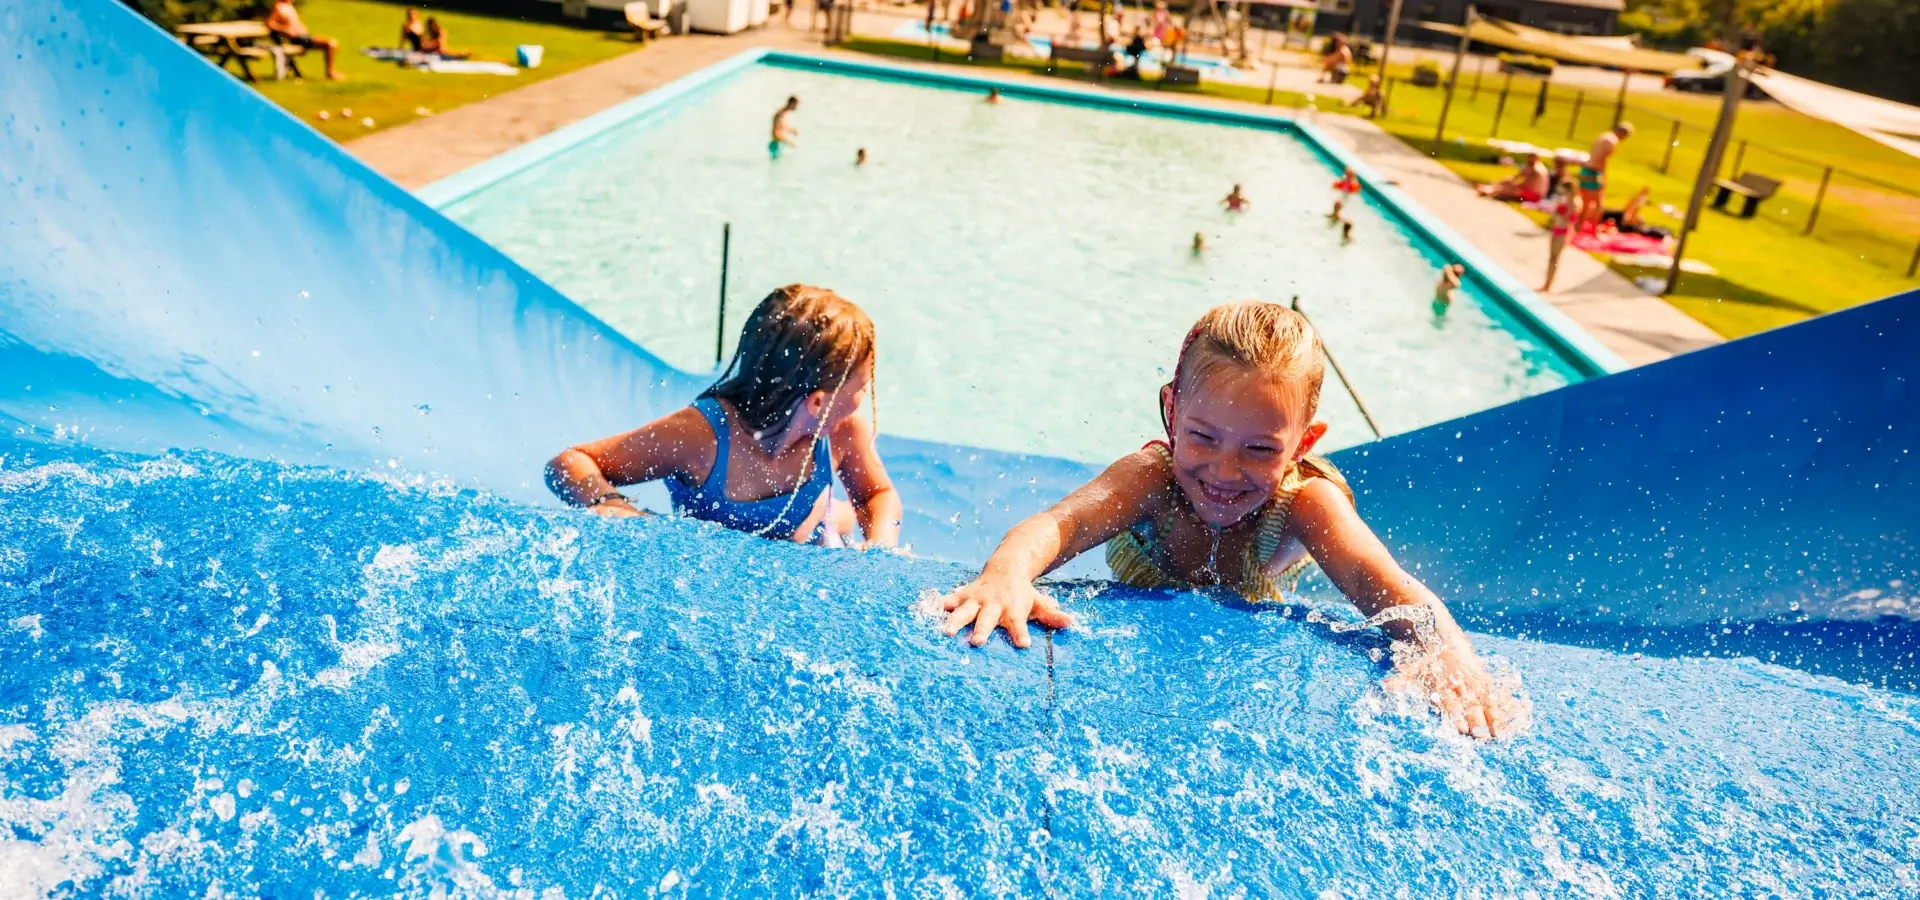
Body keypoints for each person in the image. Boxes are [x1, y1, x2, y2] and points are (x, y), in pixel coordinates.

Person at [937, 302, 1510, 738]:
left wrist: (1449, 655)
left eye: (1260, 450)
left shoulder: (1306, 503)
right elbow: (1060, 525)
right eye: (1204, 438)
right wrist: (1008, 574)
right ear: (1171, 412)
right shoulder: (1152, 479)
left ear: (1303, 443)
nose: (1224, 472)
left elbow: (1379, 583)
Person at [545, 285, 902, 548]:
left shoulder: (840, 430)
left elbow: (876, 494)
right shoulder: (702, 437)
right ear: (817, 403)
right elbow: (569, 462)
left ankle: (833, 515)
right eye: (862, 387)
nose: (863, 401)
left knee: (831, 523)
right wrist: (610, 504)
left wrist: (880, 545)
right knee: (829, 516)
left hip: (813, 541)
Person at [265, 0, 342, 80]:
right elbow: (270, 23)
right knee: (330, 44)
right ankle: (330, 73)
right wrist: (285, 30)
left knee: (332, 44)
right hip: (298, 39)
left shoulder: (288, 6)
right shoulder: (279, 7)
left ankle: (331, 72)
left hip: (304, 37)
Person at [1578, 122, 1633, 232]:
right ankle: (1595, 231)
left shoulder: (1603, 136)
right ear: (1622, 133)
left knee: (1585, 202)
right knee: (1599, 204)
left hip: (1585, 169)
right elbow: (1603, 160)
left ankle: (1578, 226)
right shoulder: (1612, 141)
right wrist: (1603, 177)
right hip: (1594, 173)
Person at [1542, 181, 1577, 292]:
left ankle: (1549, 285)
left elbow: (1571, 219)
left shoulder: (1574, 203)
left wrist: (1565, 205)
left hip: (1563, 232)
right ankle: (1546, 283)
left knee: (1555, 258)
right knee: (1551, 258)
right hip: (1556, 230)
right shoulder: (1562, 200)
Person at [1476, 153, 1549, 203]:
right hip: (1528, 191)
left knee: (1513, 189)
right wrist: (1502, 182)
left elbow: (1527, 184)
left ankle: (1490, 192)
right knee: (1510, 183)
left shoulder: (1536, 170)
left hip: (1535, 196)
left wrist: (1513, 184)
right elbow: (1516, 177)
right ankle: (1490, 188)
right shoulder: (1530, 167)